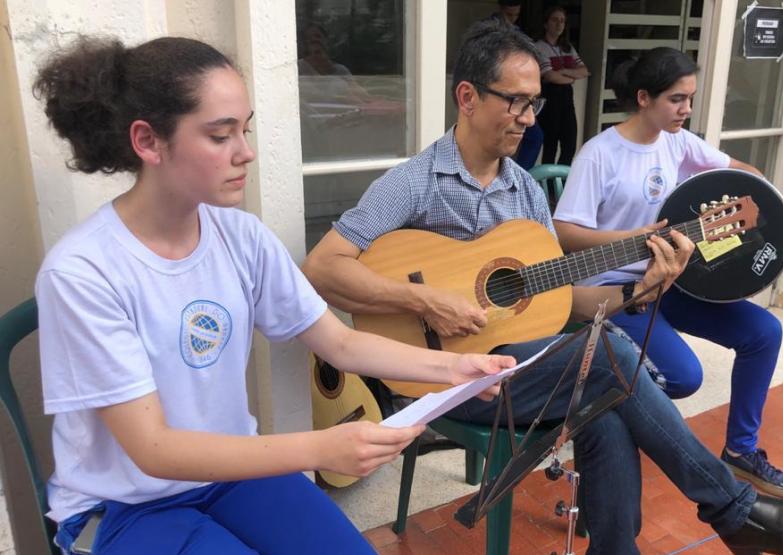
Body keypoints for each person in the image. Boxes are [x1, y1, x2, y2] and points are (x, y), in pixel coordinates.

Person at [303, 21, 783, 555]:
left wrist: (646, 287)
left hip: (514, 369)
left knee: (607, 405)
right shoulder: (414, 182)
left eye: (534, 103)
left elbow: (567, 302)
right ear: (467, 97)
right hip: (439, 378)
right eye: (515, 102)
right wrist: (423, 299)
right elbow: (323, 268)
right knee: (609, 356)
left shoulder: (523, 191)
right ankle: (735, 512)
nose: (527, 119)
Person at [32, 35, 517, 555]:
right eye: (220, 136)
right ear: (148, 141)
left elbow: (340, 344)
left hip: (231, 475)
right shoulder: (83, 273)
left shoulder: (240, 237)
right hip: (127, 506)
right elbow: (153, 450)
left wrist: (451, 370)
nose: (246, 152)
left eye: (245, 129)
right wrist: (321, 448)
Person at [553, 47, 783, 500]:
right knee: (683, 377)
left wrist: (776, 206)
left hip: (671, 279)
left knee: (763, 331)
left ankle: (741, 452)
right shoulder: (600, 155)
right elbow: (564, 232)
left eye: (690, 98)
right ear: (644, 97)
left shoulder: (678, 142)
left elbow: (741, 171)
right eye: (676, 99)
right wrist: (634, 239)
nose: (687, 109)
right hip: (614, 290)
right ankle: (604, 433)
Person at [491, 0, 543, 170]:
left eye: (516, 15)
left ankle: (520, 173)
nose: (512, 19)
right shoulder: (488, 30)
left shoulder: (517, 32)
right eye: (509, 15)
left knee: (534, 136)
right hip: (496, 90)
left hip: (517, 91)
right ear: (501, 9)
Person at [534, 5, 589, 165]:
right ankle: (548, 186)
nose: (559, 24)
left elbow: (585, 71)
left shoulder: (567, 47)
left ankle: (560, 182)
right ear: (546, 23)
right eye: (555, 20)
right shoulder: (538, 47)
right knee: (550, 146)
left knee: (570, 144)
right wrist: (571, 76)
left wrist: (564, 72)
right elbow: (550, 76)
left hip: (566, 98)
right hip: (550, 98)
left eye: (562, 21)